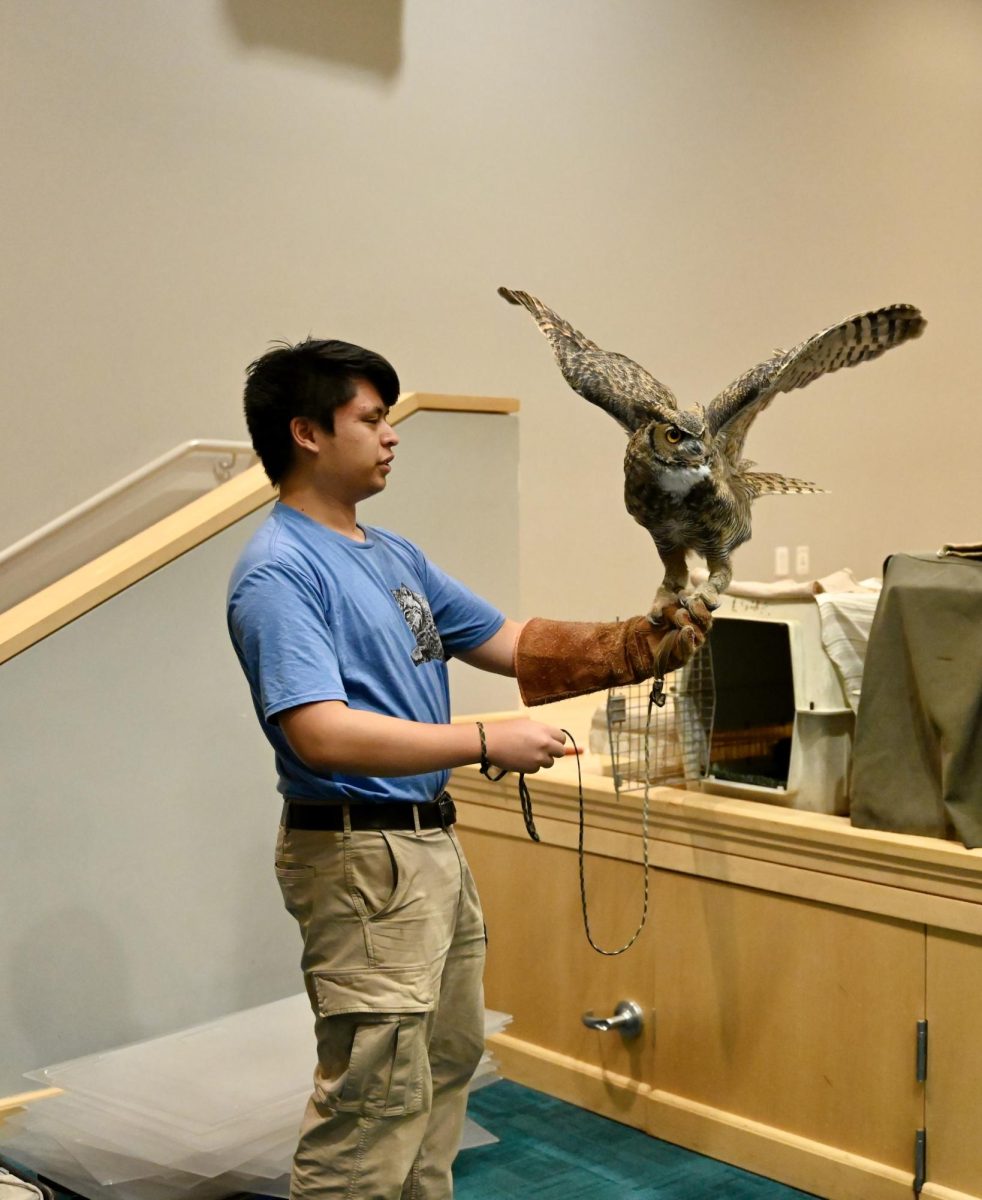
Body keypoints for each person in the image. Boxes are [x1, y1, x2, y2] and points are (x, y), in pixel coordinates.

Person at [226, 337, 710, 1200]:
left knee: (443, 1069)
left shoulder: (392, 555)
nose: (390, 436)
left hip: (426, 852)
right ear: (306, 432)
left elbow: (511, 642)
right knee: (372, 1104)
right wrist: (486, 742)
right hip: (359, 861)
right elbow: (321, 735)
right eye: (371, 420)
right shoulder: (279, 570)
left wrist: (640, 642)